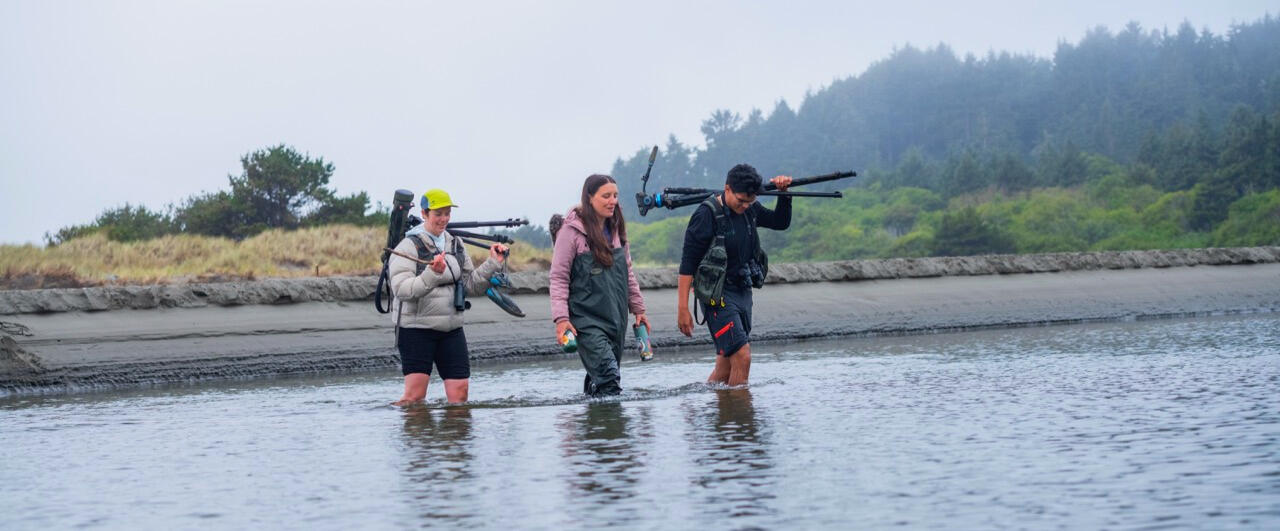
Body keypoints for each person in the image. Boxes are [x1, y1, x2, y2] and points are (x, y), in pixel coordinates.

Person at [388, 188, 507, 405]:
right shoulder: (408, 246)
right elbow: (401, 289)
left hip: (451, 329)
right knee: (414, 398)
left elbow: (471, 284)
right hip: (415, 329)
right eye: (438, 214)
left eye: (447, 213)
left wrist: (493, 263)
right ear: (424, 214)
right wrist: (432, 274)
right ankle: (407, 436)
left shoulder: (456, 244)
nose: (443, 219)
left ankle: (453, 438)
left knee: (460, 396)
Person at [676, 164, 793, 386]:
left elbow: (780, 222)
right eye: (741, 201)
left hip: (743, 290)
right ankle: (741, 416)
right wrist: (683, 309)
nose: (746, 206)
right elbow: (687, 264)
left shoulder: (750, 208)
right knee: (742, 355)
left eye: (751, 201)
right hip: (716, 295)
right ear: (727, 189)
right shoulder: (705, 215)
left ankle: (720, 413)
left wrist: (783, 194)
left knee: (726, 363)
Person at [549, 174, 650, 397]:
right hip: (585, 320)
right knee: (610, 378)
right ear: (589, 198)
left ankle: (597, 427)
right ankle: (609, 427)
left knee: (603, 379)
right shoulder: (570, 232)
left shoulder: (617, 229)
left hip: (616, 318)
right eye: (606, 196)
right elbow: (558, 278)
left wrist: (639, 309)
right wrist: (562, 319)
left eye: (615, 195)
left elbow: (628, 272)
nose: (612, 200)